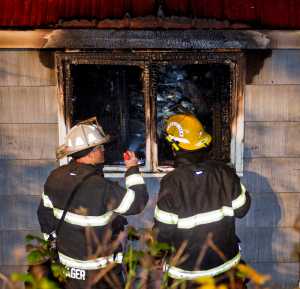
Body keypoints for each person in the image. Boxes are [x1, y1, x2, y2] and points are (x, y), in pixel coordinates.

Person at [37, 117, 148, 289]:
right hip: (101, 275)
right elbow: (138, 203)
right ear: (90, 153)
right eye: (100, 147)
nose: (103, 151)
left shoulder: (54, 177)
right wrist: (132, 168)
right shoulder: (101, 187)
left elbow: (44, 217)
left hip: (67, 271)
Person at [153, 114, 251, 287]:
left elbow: (162, 232)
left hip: (187, 275)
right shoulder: (224, 172)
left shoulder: (172, 182)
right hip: (226, 269)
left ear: (175, 145)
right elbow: (242, 210)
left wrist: (156, 256)